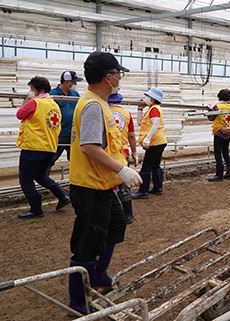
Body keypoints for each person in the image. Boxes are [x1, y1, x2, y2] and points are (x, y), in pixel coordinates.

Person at [67, 51, 142, 315]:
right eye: (117, 73)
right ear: (108, 77)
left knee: (115, 225)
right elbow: (89, 146)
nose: (119, 77)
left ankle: (98, 275)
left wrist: (122, 164)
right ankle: (78, 300)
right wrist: (121, 169)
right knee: (88, 243)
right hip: (89, 186)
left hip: (103, 183)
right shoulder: (92, 106)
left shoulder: (100, 103)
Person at [15, 76, 70, 219]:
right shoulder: (54, 104)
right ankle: (62, 196)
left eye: (32, 89)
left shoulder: (35, 102)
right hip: (50, 147)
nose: (30, 92)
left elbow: (19, 114)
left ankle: (36, 208)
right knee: (40, 175)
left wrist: (27, 100)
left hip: (33, 146)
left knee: (25, 179)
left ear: (40, 90)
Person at [132, 87, 167, 198]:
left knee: (146, 166)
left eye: (147, 96)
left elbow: (155, 124)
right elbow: (139, 123)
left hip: (155, 142)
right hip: (159, 141)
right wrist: (139, 109)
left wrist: (147, 139)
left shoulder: (154, 109)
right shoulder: (152, 109)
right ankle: (158, 188)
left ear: (152, 99)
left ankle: (143, 191)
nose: (145, 98)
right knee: (155, 165)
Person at [109, 93, 137, 223]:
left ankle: (111, 212)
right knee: (123, 184)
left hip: (107, 153)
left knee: (108, 183)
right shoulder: (126, 113)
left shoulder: (103, 111)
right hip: (123, 151)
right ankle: (128, 213)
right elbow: (131, 135)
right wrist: (134, 152)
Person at [48, 71, 83, 168]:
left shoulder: (75, 94)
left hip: (72, 134)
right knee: (50, 160)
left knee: (76, 159)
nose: (75, 84)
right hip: (58, 133)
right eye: (74, 82)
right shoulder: (52, 94)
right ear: (67, 82)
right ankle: (43, 180)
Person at [207, 89, 230, 182]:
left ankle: (219, 174)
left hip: (219, 132)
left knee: (218, 153)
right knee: (226, 152)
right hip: (228, 132)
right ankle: (229, 172)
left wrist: (209, 110)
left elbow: (211, 118)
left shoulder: (217, 106)